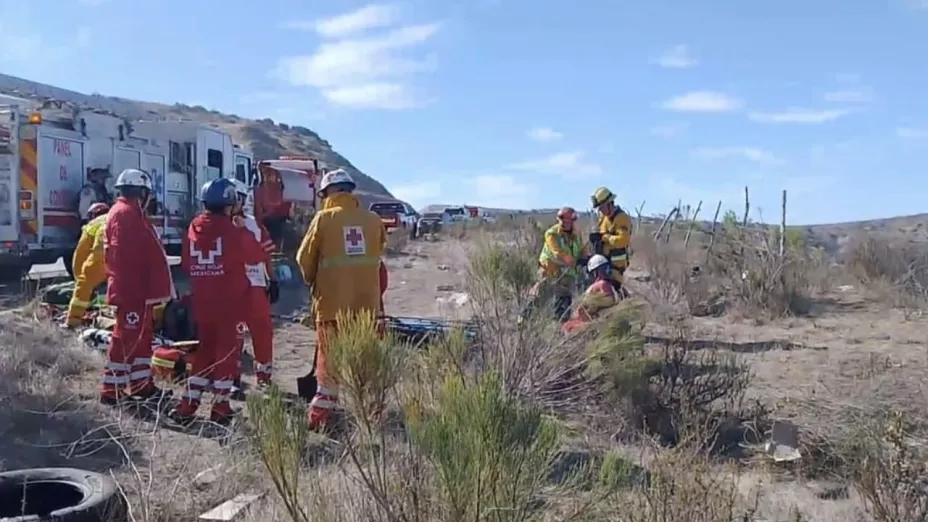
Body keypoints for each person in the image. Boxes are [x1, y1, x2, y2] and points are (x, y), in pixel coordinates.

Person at [296, 168, 386, 430]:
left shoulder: (323, 219)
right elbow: (377, 256)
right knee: (363, 360)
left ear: (330, 193)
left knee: (329, 363)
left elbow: (304, 259)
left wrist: (313, 281)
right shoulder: (373, 221)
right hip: (367, 307)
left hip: (332, 305)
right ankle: (370, 415)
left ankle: (320, 417)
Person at [173, 178, 265, 425]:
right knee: (227, 355)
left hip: (203, 302)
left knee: (204, 351)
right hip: (230, 303)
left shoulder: (194, 227)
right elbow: (256, 256)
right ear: (230, 203)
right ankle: (221, 407)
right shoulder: (233, 231)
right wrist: (243, 227)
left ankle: (188, 404)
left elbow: (185, 264)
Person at [100, 169, 173, 405]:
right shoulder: (126, 214)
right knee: (126, 340)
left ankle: (142, 386)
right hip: (133, 291)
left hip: (137, 292)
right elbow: (127, 257)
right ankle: (112, 390)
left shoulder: (127, 212)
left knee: (141, 339)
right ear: (141, 192)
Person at [232, 180, 279, 388]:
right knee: (232, 334)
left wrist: (273, 279)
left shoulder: (254, 224)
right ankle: (232, 378)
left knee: (263, 332)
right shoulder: (218, 225)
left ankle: (264, 378)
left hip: (256, 285)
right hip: (231, 288)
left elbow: (266, 254)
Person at [535, 206, 589, 321]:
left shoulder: (575, 235)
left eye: (570, 220)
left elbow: (581, 250)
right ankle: (524, 320)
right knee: (539, 298)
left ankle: (560, 327)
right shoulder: (552, 234)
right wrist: (576, 261)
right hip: (549, 272)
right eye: (563, 219)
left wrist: (587, 258)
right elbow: (558, 253)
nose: (566, 222)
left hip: (567, 275)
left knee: (563, 303)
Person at [64, 202, 110, 328]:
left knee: (86, 280)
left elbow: (79, 256)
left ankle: (73, 320)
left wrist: (81, 281)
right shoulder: (116, 217)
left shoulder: (92, 225)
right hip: (124, 255)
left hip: (103, 254)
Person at [562, 254, 624, 334]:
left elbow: (610, 300)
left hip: (593, 322)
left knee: (567, 327)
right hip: (595, 321)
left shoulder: (602, 284)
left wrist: (592, 304)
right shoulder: (614, 285)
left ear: (595, 272)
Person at [590, 187, 632, 288]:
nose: (601, 211)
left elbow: (623, 240)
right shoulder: (604, 218)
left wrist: (605, 238)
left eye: (602, 207)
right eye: (599, 209)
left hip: (615, 266)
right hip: (602, 263)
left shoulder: (621, 218)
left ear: (610, 203)